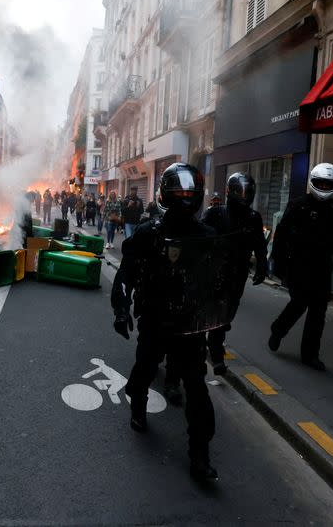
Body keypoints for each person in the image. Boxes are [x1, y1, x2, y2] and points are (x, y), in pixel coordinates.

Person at [112, 162, 219, 481]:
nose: (185, 198)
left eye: (189, 192)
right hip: (156, 317)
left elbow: (216, 283)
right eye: (180, 192)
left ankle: (199, 455)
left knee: (197, 390)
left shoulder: (207, 237)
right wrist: (121, 307)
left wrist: (216, 319)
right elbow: (125, 273)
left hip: (189, 325)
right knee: (145, 368)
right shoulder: (149, 233)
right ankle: (138, 406)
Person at [268, 163, 333, 371]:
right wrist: (278, 262)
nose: (323, 187)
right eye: (320, 183)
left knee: (318, 312)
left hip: (323, 266)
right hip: (299, 264)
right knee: (299, 303)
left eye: (327, 184)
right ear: (312, 182)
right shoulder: (298, 205)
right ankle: (278, 329)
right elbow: (282, 235)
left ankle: (310, 354)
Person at [202, 172, 267, 375]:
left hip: (238, 272)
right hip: (215, 271)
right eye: (240, 191)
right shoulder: (215, 213)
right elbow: (199, 239)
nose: (244, 195)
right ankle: (216, 352)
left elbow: (259, 244)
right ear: (231, 192)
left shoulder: (254, 218)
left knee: (230, 310)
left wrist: (262, 266)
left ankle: (216, 334)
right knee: (218, 312)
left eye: (247, 192)